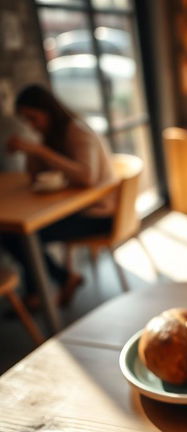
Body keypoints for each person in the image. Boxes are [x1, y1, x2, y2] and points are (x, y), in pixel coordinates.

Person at [3, 84, 116, 308]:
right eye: (26, 120)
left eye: (33, 118)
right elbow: (35, 177)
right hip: (78, 209)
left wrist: (39, 151)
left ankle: (51, 286)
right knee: (13, 235)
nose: (31, 124)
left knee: (24, 238)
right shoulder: (52, 135)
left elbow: (87, 177)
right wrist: (32, 150)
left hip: (100, 214)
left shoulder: (77, 131)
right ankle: (49, 286)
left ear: (47, 110)